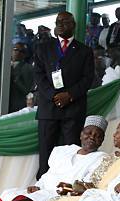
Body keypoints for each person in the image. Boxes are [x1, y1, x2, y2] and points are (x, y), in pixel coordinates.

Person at [0, 115, 112, 201]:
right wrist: (37, 186)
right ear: (81, 134)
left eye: (97, 136)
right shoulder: (64, 151)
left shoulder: (101, 159)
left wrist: (68, 189)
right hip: (42, 190)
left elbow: (85, 186)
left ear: (102, 140)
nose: (92, 137)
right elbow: (49, 174)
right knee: (8, 195)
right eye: (88, 132)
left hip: (59, 195)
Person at [34, 11, 95, 179]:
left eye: (65, 22)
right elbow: (39, 76)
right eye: (58, 22)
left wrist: (69, 95)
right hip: (48, 108)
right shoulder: (43, 48)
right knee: (45, 153)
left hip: (73, 109)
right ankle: (42, 186)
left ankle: (65, 185)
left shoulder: (84, 51)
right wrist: (54, 95)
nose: (60, 24)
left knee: (70, 153)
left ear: (74, 26)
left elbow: (88, 79)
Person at [10, 42, 34, 112]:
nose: (18, 52)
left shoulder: (28, 68)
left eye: (22, 51)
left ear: (25, 54)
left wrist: (16, 80)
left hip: (16, 104)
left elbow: (27, 89)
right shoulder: (3, 64)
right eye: (16, 49)